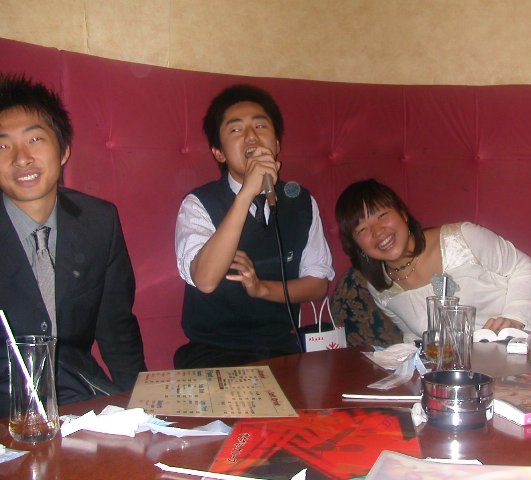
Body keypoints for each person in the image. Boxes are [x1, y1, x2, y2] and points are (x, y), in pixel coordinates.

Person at [0, 74, 146, 417]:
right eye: (2, 146)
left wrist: (143, 410)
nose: (21, 158)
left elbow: (117, 330)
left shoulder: (99, 221)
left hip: (77, 394)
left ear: (63, 150)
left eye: (35, 139)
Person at [174, 84, 334, 368]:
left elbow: (317, 284)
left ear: (277, 145)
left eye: (260, 126)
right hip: (213, 352)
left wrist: (261, 289)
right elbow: (205, 280)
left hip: (282, 349)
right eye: (236, 130)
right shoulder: (198, 203)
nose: (251, 136)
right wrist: (247, 192)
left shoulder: (301, 201)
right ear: (219, 153)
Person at [335, 178, 531, 344]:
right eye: (362, 229)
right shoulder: (380, 287)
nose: (378, 231)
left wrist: (514, 318)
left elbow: (524, 267)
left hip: (521, 346)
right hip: (460, 372)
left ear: (403, 214)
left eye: (382, 215)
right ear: (357, 245)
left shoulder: (462, 238)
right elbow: (413, 336)